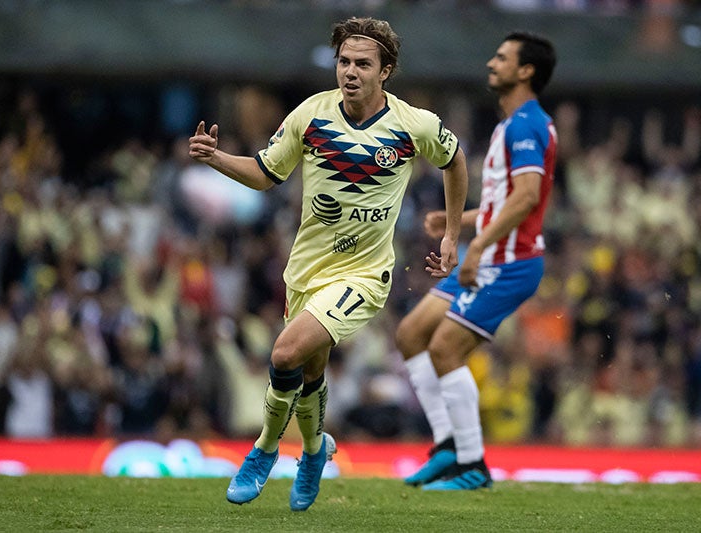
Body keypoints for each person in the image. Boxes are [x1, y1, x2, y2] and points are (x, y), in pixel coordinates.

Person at [189, 16, 468, 510]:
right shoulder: (311, 115)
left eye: (364, 63)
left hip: (364, 275)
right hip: (306, 272)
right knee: (310, 370)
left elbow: (455, 159)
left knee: (283, 354)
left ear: (387, 71)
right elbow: (264, 173)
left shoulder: (413, 124)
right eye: (344, 62)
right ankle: (316, 451)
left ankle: (264, 449)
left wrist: (451, 233)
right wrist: (216, 158)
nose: (351, 72)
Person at [395, 31, 557, 490]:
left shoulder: (526, 125)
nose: (491, 63)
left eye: (502, 58)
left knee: (445, 349)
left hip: (509, 264)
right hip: (493, 254)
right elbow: (508, 200)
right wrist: (458, 221)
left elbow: (526, 198)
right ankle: (449, 446)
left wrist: (479, 246)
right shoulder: (513, 124)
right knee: (411, 335)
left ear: (525, 71)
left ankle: (472, 466)